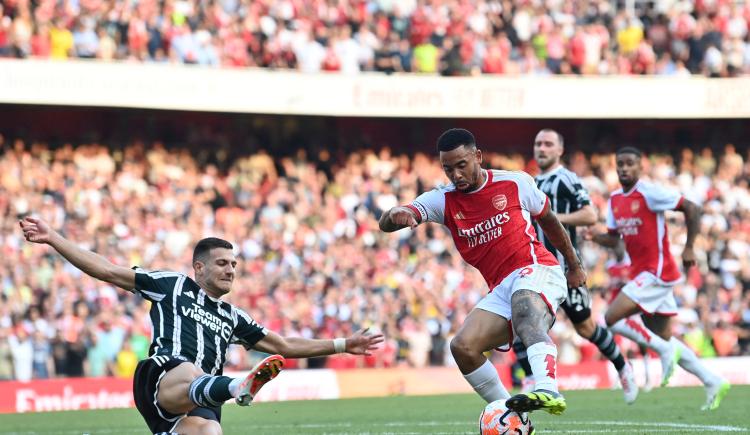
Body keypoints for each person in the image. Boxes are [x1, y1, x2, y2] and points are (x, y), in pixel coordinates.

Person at [19, 216, 383, 435]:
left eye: (234, 265)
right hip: (164, 381)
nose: (230, 270)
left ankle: (227, 387)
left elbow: (284, 345)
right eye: (223, 263)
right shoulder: (171, 285)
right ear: (199, 268)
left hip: (202, 404)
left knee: (210, 430)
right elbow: (107, 270)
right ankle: (237, 384)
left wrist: (341, 344)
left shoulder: (233, 315)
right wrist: (54, 238)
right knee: (191, 369)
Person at [379, 128, 586, 416]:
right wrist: (396, 214)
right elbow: (390, 221)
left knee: (525, 306)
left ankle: (548, 389)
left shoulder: (515, 183)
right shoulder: (444, 199)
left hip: (537, 268)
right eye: (448, 169)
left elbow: (550, 222)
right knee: (463, 347)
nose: (456, 175)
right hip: (502, 286)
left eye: (462, 165)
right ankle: (512, 417)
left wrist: (574, 265)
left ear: (478, 156)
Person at [590, 146, 730, 411]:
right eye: (620, 164)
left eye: (630, 163)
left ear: (641, 167)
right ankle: (712, 380)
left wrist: (689, 247)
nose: (624, 168)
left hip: (657, 271)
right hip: (643, 274)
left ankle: (665, 353)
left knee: (609, 318)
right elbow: (614, 238)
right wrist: (595, 236)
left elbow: (692, 208)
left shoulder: (649, 192)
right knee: (665, 340)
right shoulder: (615, 199)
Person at [512, 129, 638, 404]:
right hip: (535, 269)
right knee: (521, 322)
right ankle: (535, 379)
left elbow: (591, 214)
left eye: (547, 144)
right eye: (537, 144)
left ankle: (622, 366)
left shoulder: (566, 179)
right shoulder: (528, 183)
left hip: (565, 269)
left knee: (586, 328)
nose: (541, 148)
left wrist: (552, 218)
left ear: (559, 150)